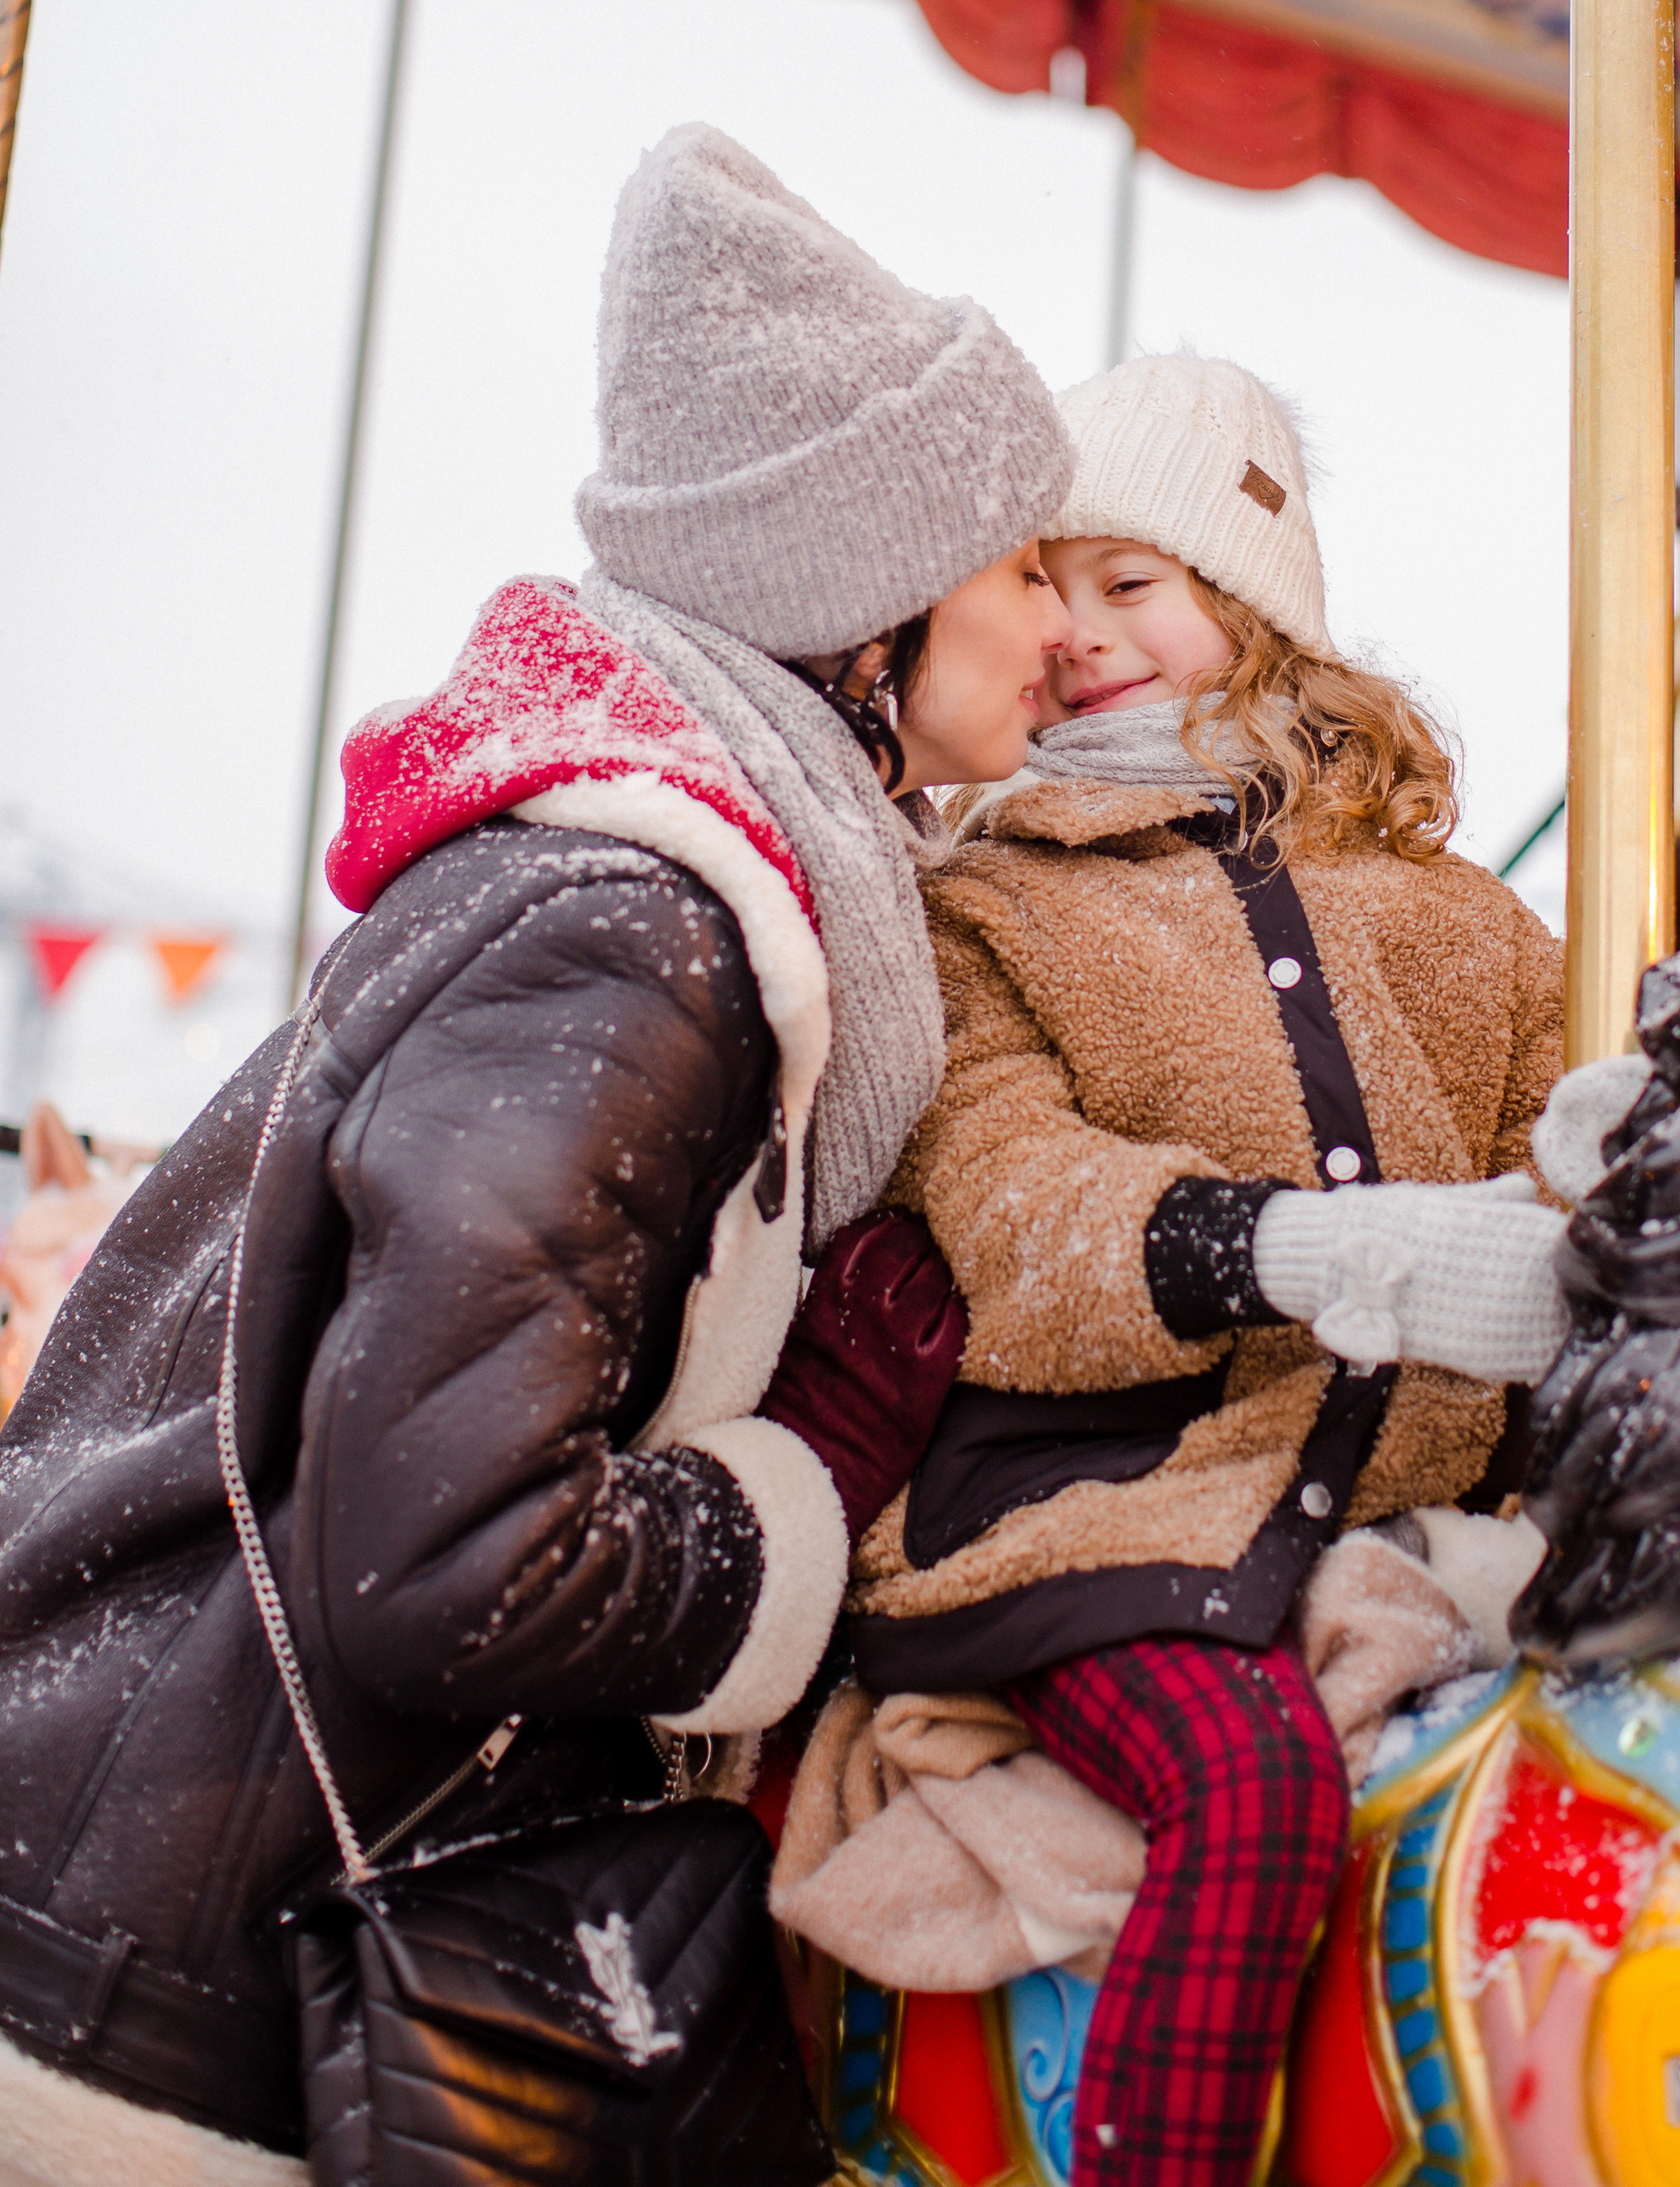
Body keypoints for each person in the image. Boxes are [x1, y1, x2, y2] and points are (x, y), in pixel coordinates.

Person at [0, 125, 1072, 2187]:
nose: (1056, 626)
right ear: (869, 595)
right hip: (182, 1981)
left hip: (147, 1867)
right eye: (1022, 563)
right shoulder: (637, 935)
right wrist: (791, 1499)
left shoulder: (616, 885)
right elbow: (449, 1560)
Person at [848, 352, 1567, 2187]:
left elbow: (1557, 1156)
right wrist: (1306, 1248)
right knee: (1248, 1797)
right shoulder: (980, 908)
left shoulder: (1460, 921)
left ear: (1250, 614)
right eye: (1047, 584)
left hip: (1394, 1515)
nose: (1082, 633)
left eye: (1132, 583)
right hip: (1093, 1518)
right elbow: (1014, 1206)